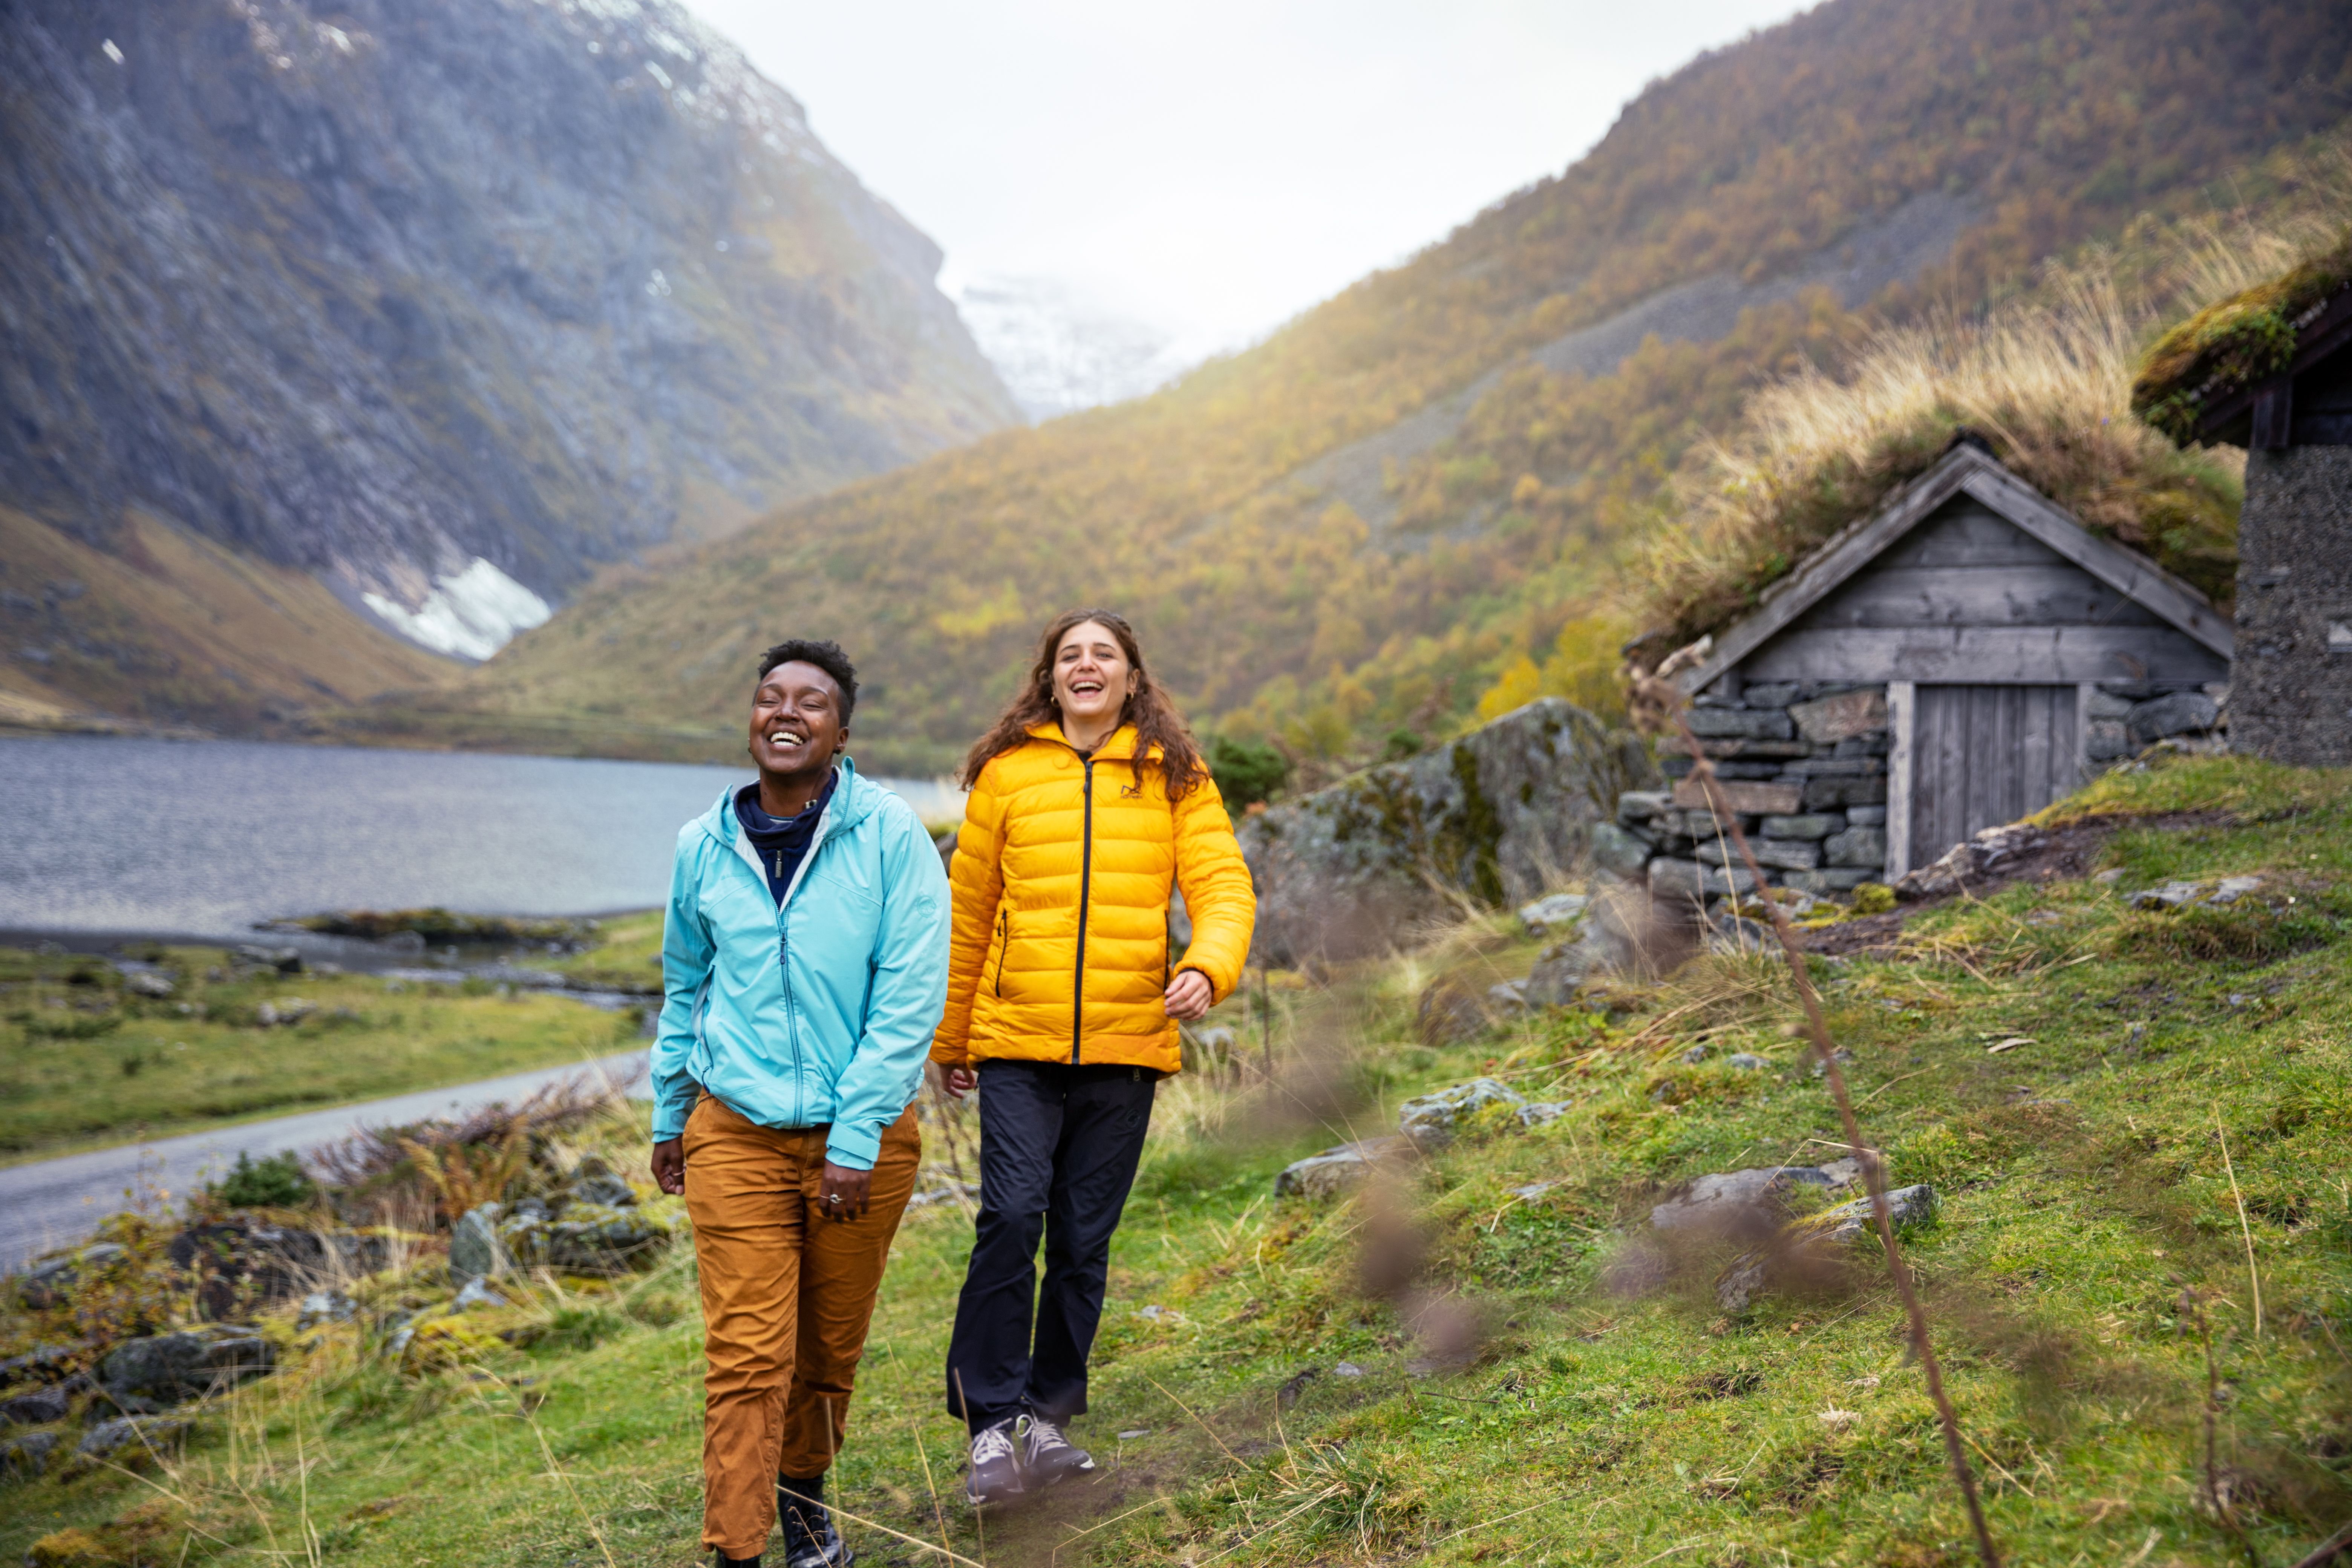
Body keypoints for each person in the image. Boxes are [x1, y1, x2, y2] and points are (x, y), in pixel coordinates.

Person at [932, 609, 1256, 1507]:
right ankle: (991, 1428)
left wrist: (1206, 965)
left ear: (1130, 677)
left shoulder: (1175, 778)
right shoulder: (1006, 774)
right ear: (1050, 676)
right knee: (1009, 1216)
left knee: (1082, 1240)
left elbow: (1224, 884)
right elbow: (967, 915)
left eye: (1102, 654)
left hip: (1125, 1043)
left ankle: (1048, 1417)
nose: (1086, 665)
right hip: (1016, 1043)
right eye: (1070, 654)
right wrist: (951, 1036)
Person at [651, 639, 951, 1568]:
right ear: (752, 719)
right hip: (733, 1133)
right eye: (769, 697)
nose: (786, 712)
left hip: (862, 1143)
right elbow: (682, 989)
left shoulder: (891, 834)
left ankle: (804, 1494)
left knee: (826, 1353)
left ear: (842, 731)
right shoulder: (700, 847)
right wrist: (671, 1115)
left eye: (810, 702)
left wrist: (855, 1137)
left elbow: (908, 998)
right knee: (747, 1355)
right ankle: (737, 1549)